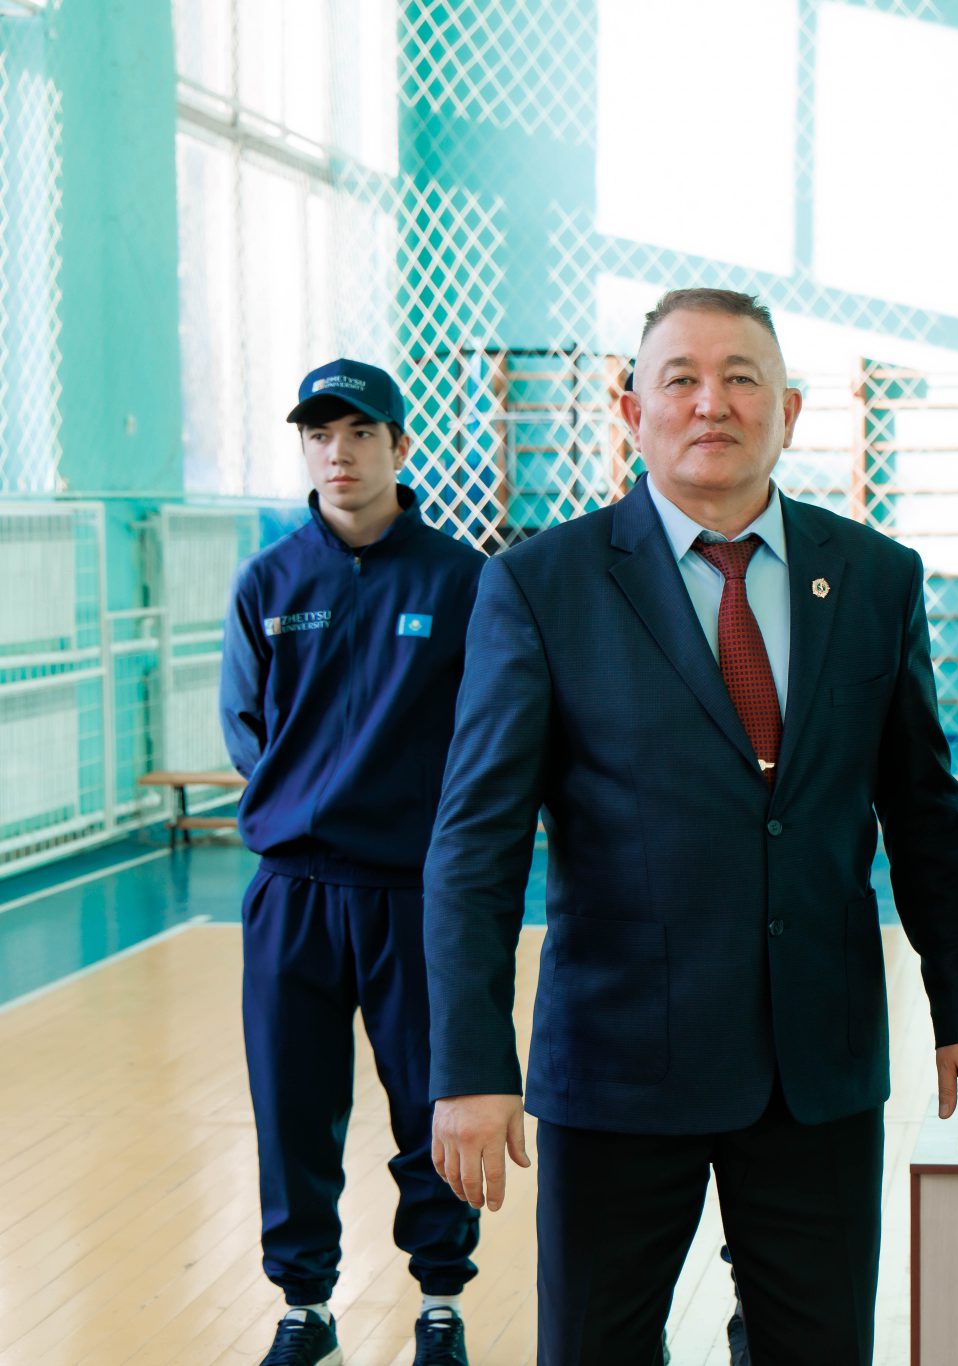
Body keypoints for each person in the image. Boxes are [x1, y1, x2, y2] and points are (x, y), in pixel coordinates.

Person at [422, 288, 958, 1365]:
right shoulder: (541, 585)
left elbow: (925, 816)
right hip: (618, 1065)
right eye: (681, 379)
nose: (713, 403)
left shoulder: (874, 578)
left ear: (788, 410)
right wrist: (470, 1062)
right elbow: (476, 845)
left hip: (817, 1068)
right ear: (629, 410)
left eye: (742, 378)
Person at [220, 359, 487, 1366]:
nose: (339, 453)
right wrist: (304, 809)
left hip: (412, 893)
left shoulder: (460, 580)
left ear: (399, 446)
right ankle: (305, 1306)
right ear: (305, 448)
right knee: (293, 1107)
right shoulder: (268, 582)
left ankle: (441, 1301)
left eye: (361, 433)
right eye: (320, 435)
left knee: (430, 1105)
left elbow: (485, 731)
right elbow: (246, 728)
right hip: (292, 894)